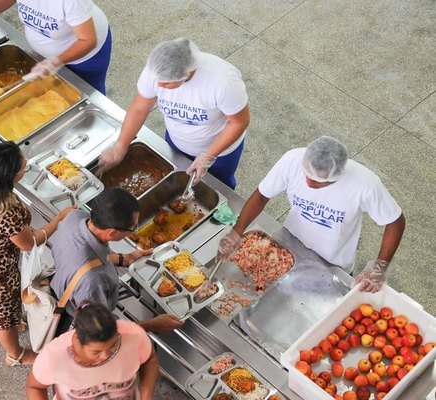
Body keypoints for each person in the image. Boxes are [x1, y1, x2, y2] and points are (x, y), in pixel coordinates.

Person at [218, 136, 405, 293]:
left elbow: (395, 221)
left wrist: (380, 267)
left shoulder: (364, 184)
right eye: (306, 174)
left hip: (332, 262)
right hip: (289, 247)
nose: (308, 182)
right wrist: (237, 231)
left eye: (318, 181)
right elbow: (261, 195)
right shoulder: (292, 160)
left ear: (337, 176)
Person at [0, 142, 75, 367]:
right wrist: (58, 220)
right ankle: (16, 353)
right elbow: (29, 243)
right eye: (22, 167)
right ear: (9, 176)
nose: (26, 167)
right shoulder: (6, 211)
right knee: (4, 314)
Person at [97, 37, 250, 189]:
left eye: (166, 83)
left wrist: (207, 157)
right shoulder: (156, 71)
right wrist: (121, 145)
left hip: (219, 151)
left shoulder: (222, 82)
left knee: (219, 187)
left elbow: (239, 122)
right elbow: (139, 108)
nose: (158, 85)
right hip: (176, 140)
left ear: (186, 73)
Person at [50, 187, 183, 335]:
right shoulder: (92, 281)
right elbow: (101, 329)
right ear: (112, 233)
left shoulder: (76, 217)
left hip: (65, 281)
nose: (133, 230)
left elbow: (92, 254)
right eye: (132, 229)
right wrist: (154, 324)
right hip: (76, 315)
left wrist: (126, 259)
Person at [26, 301, 159, 400]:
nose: (106, 355)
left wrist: (146, 397)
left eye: (113, 346)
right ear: (77, 340)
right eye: (96, 352)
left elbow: (149, 359)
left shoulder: (132, 335)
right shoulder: (53, 356)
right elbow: (35, 387)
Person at [0, 0, 112, 94]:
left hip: (85, 57)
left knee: (88, 93)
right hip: (47, 52)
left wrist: (56, 62)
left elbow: (88, 40)